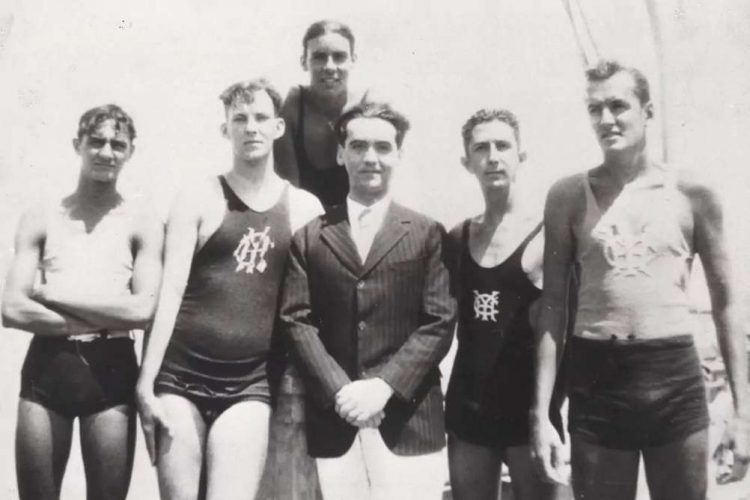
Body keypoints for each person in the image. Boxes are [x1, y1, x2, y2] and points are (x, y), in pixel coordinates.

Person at [531, 59, 750, 500]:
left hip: (672, 377)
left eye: (618, 105)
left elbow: (727, 303)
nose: (606, 119)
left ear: (647, 110)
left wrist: (743, 415)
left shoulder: (693, 192)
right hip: (597, 380)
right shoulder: (567, 197)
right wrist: (541, 415)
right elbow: (552, 308)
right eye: (595, 109)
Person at [135, 78, 322, 500]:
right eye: (240, 118)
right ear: (226, 130)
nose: (250, 127)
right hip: (178, 379)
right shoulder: (198, 196)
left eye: (260, 118)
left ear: (278, 127)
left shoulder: (304, 208)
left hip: (249, 385)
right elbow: (170, 293)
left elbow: (308, 309)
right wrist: (146, 384)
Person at [278, 100, 457, 500]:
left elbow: (439, 320)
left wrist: (384, 387)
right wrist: (341, 391)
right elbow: (296, 320)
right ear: (341, 154)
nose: (370, 158)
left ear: (399, 154)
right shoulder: (310, 237)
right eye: (358, 146)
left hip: (408, 421)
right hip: (336, 419)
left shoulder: (427, 233)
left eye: (382, 147)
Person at [1, 104, 164, 500]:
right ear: (78, 144)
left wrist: (53, 295)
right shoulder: (42, 216)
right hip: (48, 369)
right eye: (96, 141)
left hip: (112, 374)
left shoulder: (141, 222)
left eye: (117, 144)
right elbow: (11, 308)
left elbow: (142, 311)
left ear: (130, 152)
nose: (106, 152)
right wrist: (99, 318)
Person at [445, 108, 563, 500]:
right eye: (481, 148)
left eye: (502, 146)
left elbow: (562, 329)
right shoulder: (458, 237)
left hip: (529, 408)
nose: (492, 156)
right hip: (470, 409)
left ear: (521, 156)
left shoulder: (547, 234)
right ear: (466, 162)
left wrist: (545, 412)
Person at [274, 19, 368, 209]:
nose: (330, 66)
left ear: (353, 61)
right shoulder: (293, 105)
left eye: (339, 57)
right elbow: (289, 195)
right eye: (319, 57)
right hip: (305, 224)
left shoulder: (367, 106)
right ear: (304, 62)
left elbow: (377, 189)